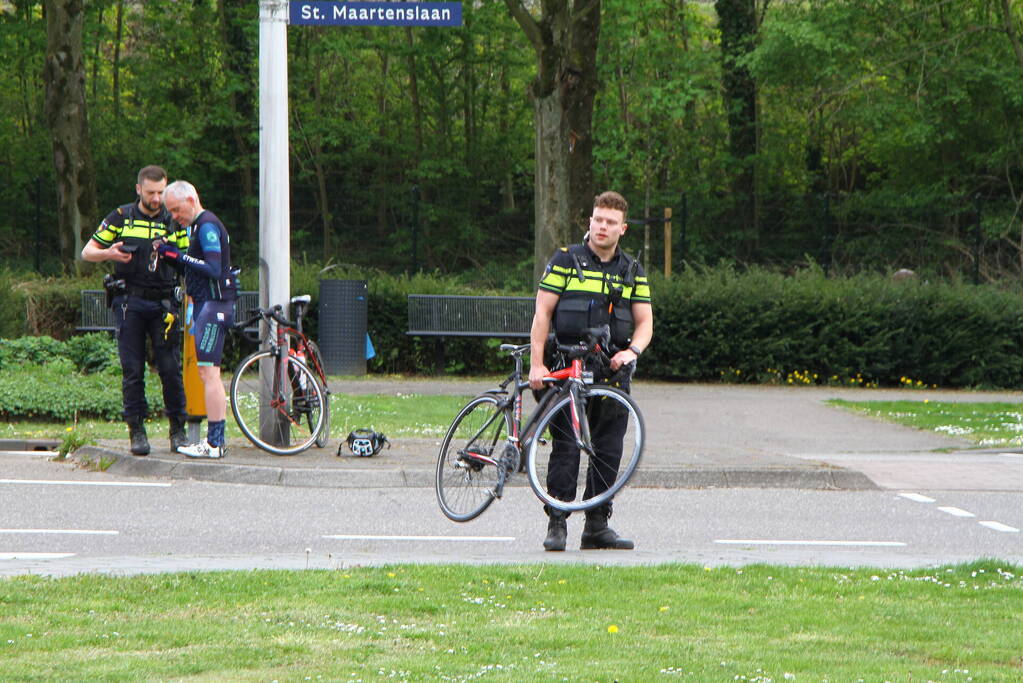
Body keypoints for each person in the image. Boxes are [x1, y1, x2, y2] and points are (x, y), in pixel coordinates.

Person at [528, 190, 653, 552]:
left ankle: (597, 525)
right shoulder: (565, 260)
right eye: (598, 219)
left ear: (623, 228)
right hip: (567, 368)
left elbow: (645, 322)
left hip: (612, 374)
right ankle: (557, 523)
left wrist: (633, 351)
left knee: (608, 450)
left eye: (610, 222)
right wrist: (538, 363)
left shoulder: (632, 271)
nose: (602, 226)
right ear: (590, 222)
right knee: (566, 446)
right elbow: (542, 315)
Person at [81, 165, 189, 456]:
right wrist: (108, 253)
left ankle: (178, 431)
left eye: (161, 192)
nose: (157, 198)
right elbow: (87, 251)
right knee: (132, 370)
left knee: (170, 369)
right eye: (152, 192)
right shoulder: (121, 217)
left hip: (165, 303)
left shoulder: (174, 219)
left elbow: (188, 261)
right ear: (139, 189)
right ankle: (136, 432)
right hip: (130, 302)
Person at [156, 180, 238, 459]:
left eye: (177, 210)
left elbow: (213, 269)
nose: (175, 217)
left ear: (191, 199)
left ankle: (215, 443)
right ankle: (214, 441)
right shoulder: (197, 226)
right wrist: (171, 257)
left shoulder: (206, 225)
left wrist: (180, 257)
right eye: (171, 212)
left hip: (214, 306)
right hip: (206, 305)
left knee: (209, 374)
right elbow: (196, 266)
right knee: (208, 373)